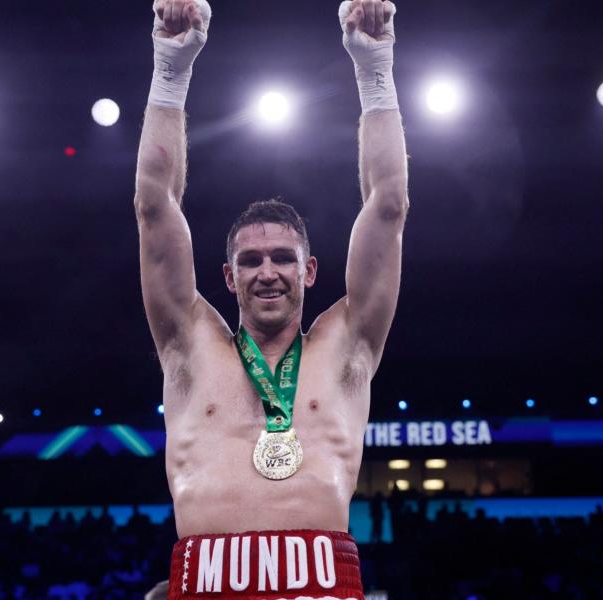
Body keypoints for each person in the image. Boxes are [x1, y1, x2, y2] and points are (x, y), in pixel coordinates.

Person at [135, 0, 407, 597]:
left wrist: (374, 65)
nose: (267, 273)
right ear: (228, 278)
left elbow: (387, 207)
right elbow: (155, 209)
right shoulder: (189, 344)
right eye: (250, 261)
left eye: (283, 258)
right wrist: (171, 65)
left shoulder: (347, 347)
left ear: (309, 271)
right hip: (206, 584)